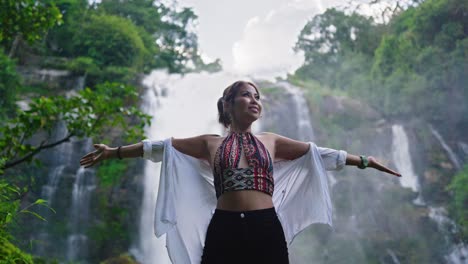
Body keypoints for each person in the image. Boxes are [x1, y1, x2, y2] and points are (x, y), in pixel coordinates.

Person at [80, 80, 401, 264]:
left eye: (257, 96)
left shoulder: (271, 142)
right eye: (247, 94)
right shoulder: (209, 144)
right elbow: (161, 147)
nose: (254, 100)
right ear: (228, 104)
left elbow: (318, 154)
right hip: (225, 227)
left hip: (265, 226)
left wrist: (363, 160)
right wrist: (115, 152)